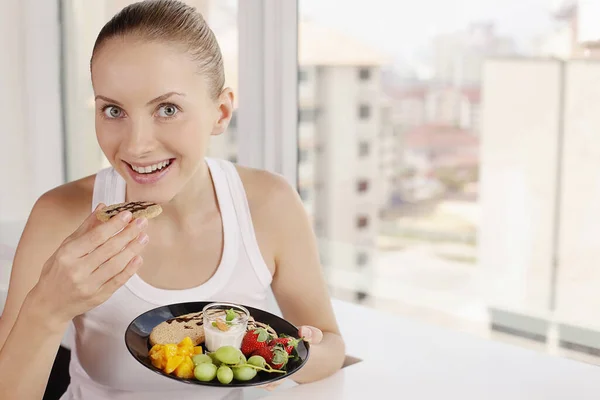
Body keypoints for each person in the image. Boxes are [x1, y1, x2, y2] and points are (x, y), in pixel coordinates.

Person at [0, 0, 346, 398]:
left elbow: (330, 344)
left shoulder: (270, 204)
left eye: (167, 109)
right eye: (113, 110)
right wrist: (48, 307)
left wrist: (279, 357)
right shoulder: (61, 215)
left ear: (220, 111)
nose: (136, 145)